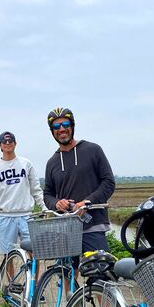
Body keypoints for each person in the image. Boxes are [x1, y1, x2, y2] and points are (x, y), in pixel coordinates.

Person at [43, 107, 115, 268]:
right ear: (52, 132)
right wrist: (56, 203)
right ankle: (71, 294)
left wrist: (87, 202)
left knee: (100, 275)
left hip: (93, 224)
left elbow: (108, 182)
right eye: (56, 127)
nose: (61, 129)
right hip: (65, 227)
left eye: (65, 124)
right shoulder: (52, 162)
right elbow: (47, 194)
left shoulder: (93, 150)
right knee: (66, 273)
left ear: (72, 125)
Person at [0, 131, 47, 263]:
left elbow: (36, 190)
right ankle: (12, 283)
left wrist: (45, 208)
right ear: (0, 145)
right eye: (4, 142)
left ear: (15, 143)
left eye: (10, 141)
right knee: (8, 255)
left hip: (26, 215)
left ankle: (34, 283)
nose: (7, 144)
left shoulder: (26, 163)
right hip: (5, 216)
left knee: (34, 253)